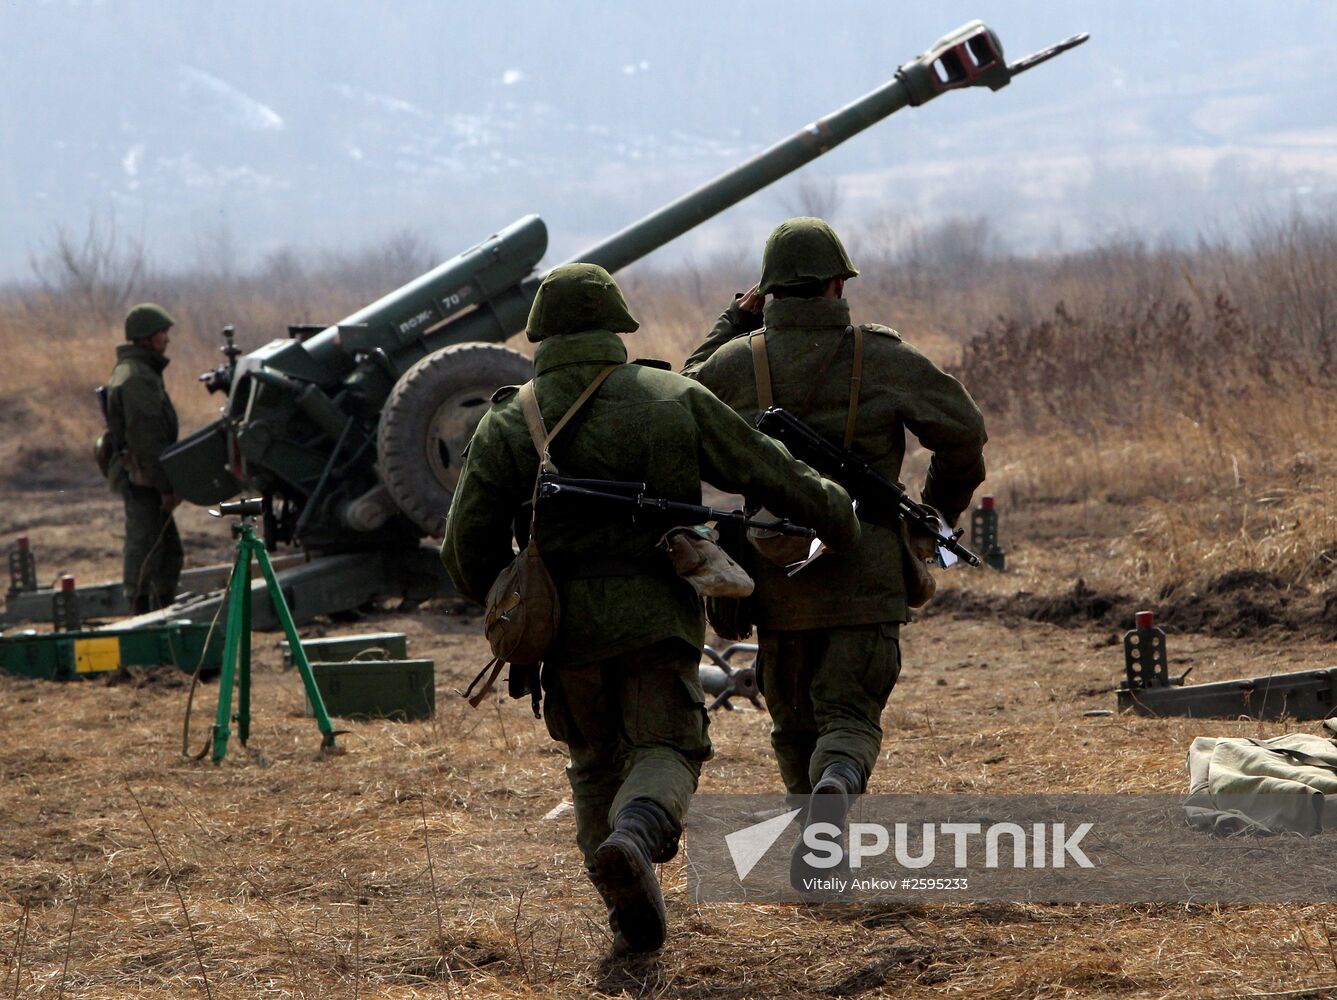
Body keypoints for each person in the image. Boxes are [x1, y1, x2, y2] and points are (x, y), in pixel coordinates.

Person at [441, 263, 859, 953]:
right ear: (616, 322)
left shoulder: (509, 421)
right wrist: (836, 517)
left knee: (592, 763)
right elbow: (767, 469)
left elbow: (464, 554)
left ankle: (623, 905)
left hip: (563, 633)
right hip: (656, 617)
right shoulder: (670, 397)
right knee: (667, 744)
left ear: (541, 332)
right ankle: (635, 836)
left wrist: (520, 604)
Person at [684, 218, 987, 874]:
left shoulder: (737, 363)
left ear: (766, 294)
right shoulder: (879, 358)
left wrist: (733, 323)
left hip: (773, 580)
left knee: (792, 726)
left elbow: (680, 398)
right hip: (866, 574)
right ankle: (837, 787)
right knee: (848, 716)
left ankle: (817, 854)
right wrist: (937, 507)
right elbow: (964, 431)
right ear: (835, 283)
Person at [105, 303, 183, 613]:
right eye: (163, 333)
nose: (167, 339)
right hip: (143, 479)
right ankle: (142, 617)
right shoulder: (137, 378)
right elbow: (147, 440)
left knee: (166, 551)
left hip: (144, 476)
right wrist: (166, 486)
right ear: (146, 338)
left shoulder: (139, 371)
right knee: (146, 549)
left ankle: (161, 612)